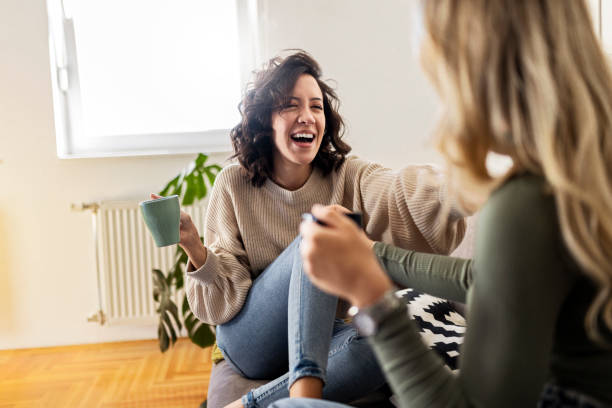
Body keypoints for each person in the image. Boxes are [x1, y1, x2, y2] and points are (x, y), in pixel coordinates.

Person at [273, 1, 612, 407]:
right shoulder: (583, 169)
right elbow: (488, 279)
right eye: (291, 105)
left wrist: (371, 295)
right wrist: (372, 254)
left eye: (314, 105)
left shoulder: (527, 201)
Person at [166, 51, 466, 408]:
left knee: (382, 348)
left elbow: (397, 191)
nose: (307, 117)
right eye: (291, 106)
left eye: (317, 106)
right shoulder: (234, 183)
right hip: (251, 339)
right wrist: (196, 250)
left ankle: (251, 405)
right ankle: (303, 400)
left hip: (319, 336)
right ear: (266, 120)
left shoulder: (347, 174)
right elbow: (220, 305)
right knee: (319, 229)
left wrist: (469, 187)